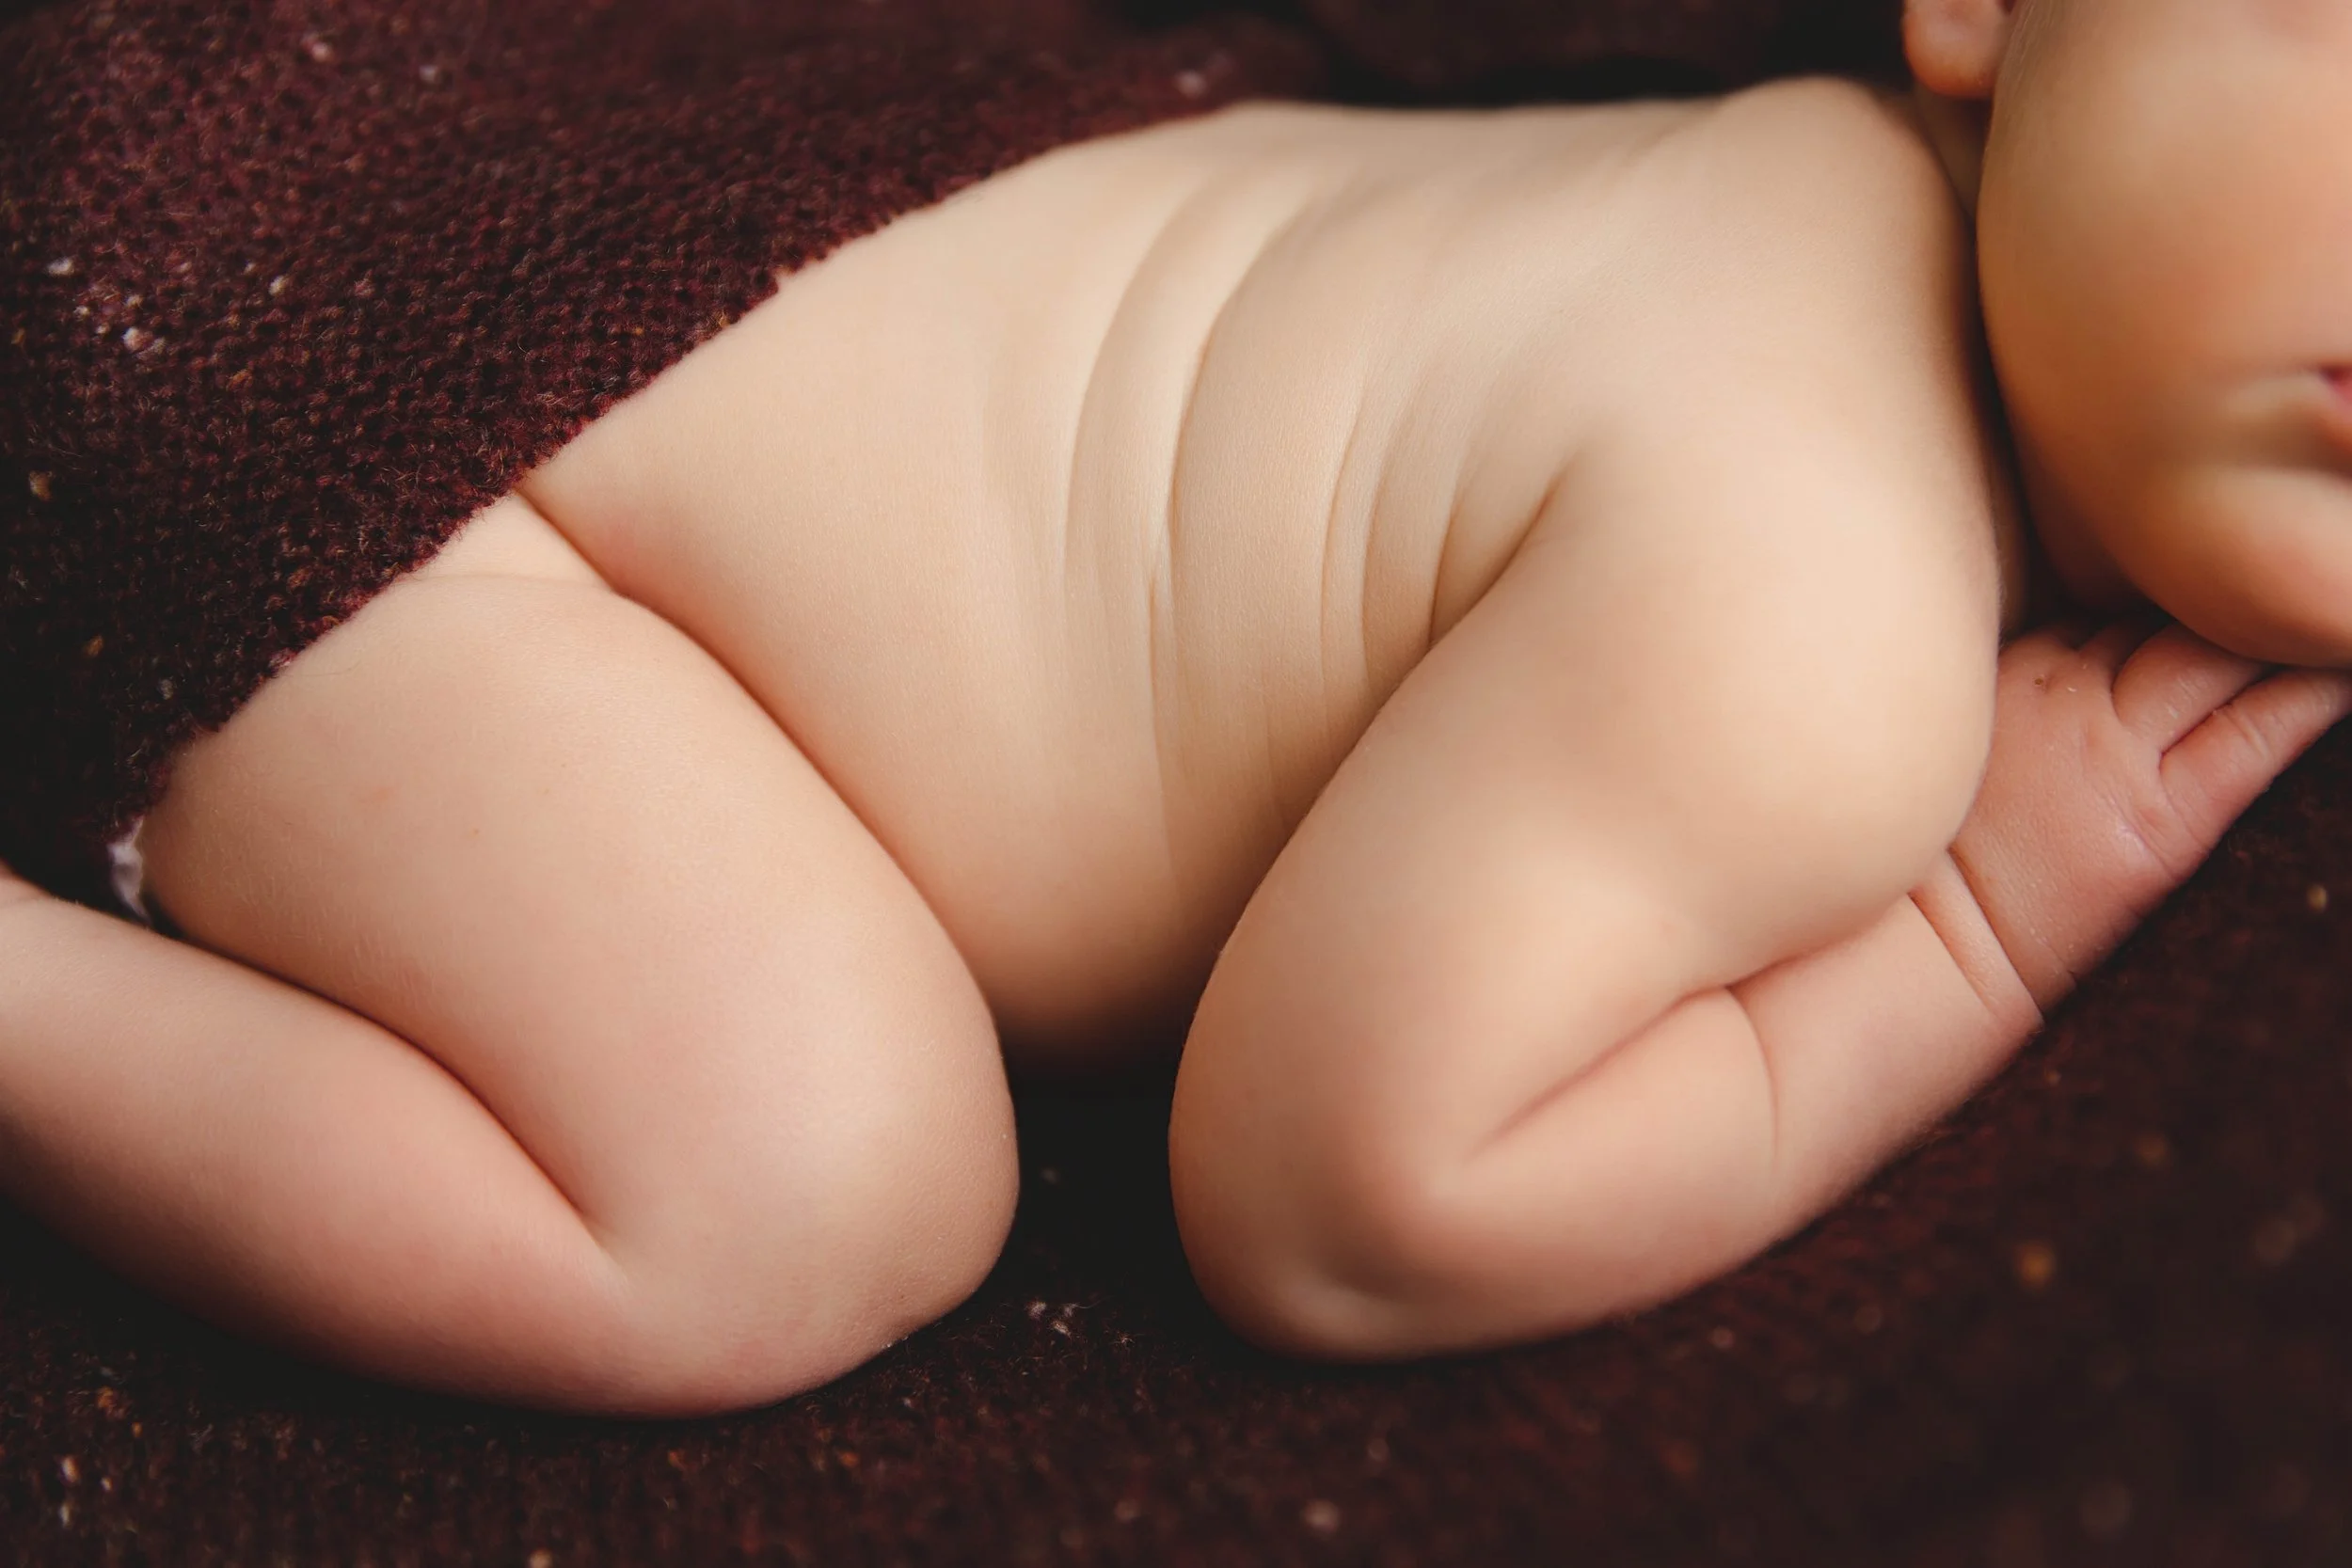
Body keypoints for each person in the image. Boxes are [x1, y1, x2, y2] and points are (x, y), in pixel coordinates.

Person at [0, 0, 2344, 1414]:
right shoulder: (1812, 624)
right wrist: (1968, 924)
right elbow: (1350, 1201)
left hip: (559, 290)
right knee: (808, 1186)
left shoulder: (1780, 173)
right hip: (454, 528)